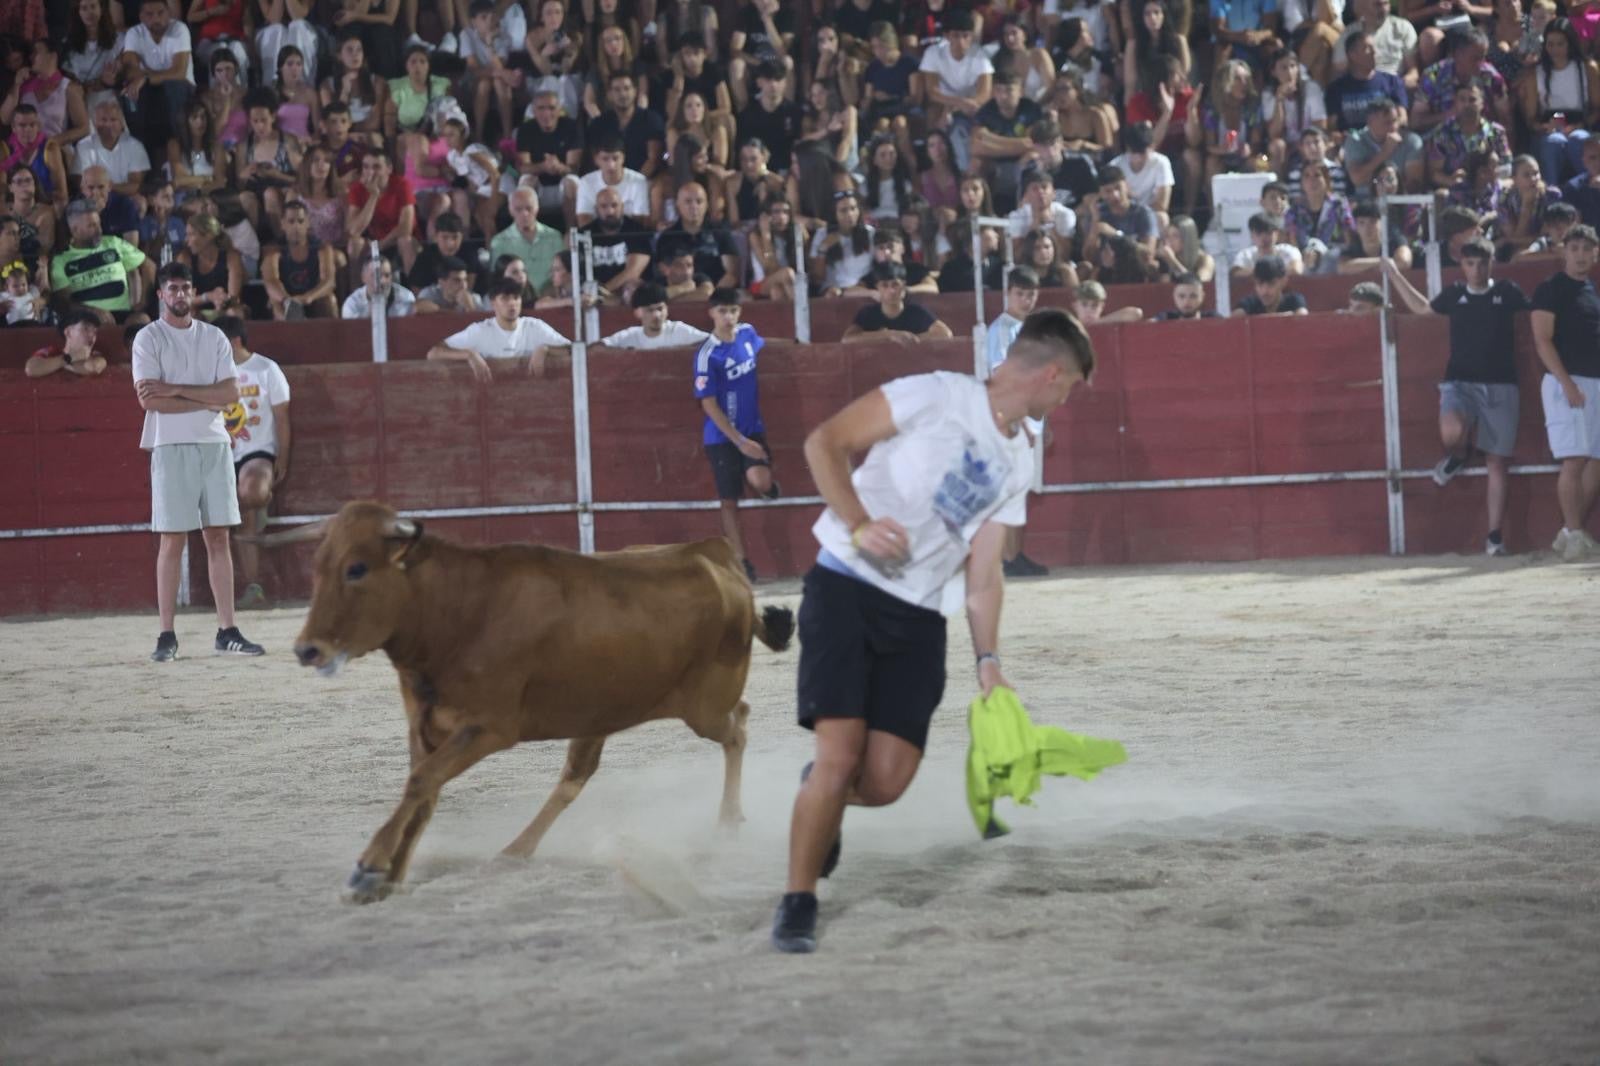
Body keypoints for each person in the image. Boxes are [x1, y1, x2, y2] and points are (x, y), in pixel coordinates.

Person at [770, 307, 1096, 954]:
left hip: (918, 616)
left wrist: (989, 658)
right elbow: (823, 443)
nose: (1066, 400)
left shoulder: (1018, 461)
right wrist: (860, 521)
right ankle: (798, 902)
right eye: (1070, 388)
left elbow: (983, 574)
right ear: (1053, 375)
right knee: (841, 757)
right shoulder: (936, 394)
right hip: (845, 589)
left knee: (886, 782)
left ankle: (822, 796)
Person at [132, 262, 264, 663]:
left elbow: (230, 395)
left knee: (217, 536)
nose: (180, 295)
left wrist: (176, 389)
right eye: (172, 289)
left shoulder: (214, 336)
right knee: (172, 539)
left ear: (193, 292)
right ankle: (166, 633)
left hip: (214, 443)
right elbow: (149, 400)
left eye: (186, 288)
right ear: (160, 294)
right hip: (170, 445)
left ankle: (227, 629)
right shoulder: (148, 338)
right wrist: (200, 394)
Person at [1386, 239, 1527, 552]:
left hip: (1502, 385)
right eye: (1470, 264)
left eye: (1481, 263)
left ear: (1491, 263)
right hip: (1460, 382)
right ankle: (1459, 454)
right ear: (1461, 265)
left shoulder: (1508, 292)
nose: (1476, 270)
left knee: (1497, 463)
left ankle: (1493, 537)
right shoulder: (1454, 294)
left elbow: (1535, 315)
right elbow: (1422, 309)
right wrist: (1395, 274)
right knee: (1451, 431)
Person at [694, 288, 779, 582]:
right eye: (722, 311)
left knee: (760, 480)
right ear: (712, 313)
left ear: (739, 312)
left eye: (732, 311)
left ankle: (768, 487)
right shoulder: (707, 354)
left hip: (751, 427)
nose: (728, 317)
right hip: (721, 437)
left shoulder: (747, 334)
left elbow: (762, 345)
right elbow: (708, 403)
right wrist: (739, 441)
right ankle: (742, 561)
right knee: (729, 500)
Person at [1530, 225, 1600, 561]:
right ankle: (1574, 533)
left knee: (1596, 461)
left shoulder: (1592, 289)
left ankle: (1571, 531)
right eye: (1575, 248)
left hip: (1595, 382)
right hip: (1567, 382)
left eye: (1587, 249)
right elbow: (1542, 340)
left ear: (1595, 253)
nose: (1581, 255)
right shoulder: (1551, 289)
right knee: (1574, 459)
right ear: (1564, 251)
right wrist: (1567, 384)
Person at [216, 316, 291, 609]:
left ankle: (252, 583)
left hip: (257, 451)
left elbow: (282, 417)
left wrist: (283, 457)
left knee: (250, 494)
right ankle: (252, 586)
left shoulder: (266, 369)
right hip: (220, 454)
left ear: (234, 342)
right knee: (241, 514)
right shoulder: (210, 372)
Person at [983, 267, 1051, 577]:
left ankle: (1013, 555)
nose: (1026, 299)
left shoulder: (1029, 329)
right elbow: (1002, 378)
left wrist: (1040, 422)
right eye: (1020, 293)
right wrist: (1020, 422)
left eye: (1031, 294)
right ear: (1008, 294)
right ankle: (1009, 558)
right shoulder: (1002, 330)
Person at [426, 277, 571, 381]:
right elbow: (433, 353)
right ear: (493, 303)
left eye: (516, 298)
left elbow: (573, 349)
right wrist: (469, 354)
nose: (512, 303)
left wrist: (546, 349)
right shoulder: (480, 331)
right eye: (505, 298)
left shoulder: (534, 327)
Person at [50, 199, 148, 326]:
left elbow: (143, 268)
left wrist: (138, 305)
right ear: (75, 230)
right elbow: (64, 302)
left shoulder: (113, 242)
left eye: (99, 224)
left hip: (124, 315)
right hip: (87, 319)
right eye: (91, 226)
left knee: (142, 320)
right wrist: (91, 312)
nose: (99, 230)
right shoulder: (61, 261)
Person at [262, 199, 339, 320]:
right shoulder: (273, 249)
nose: (296, 226)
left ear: (308, 223)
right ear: (283, 224)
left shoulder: (322, 247)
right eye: (291, 221)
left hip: (313, 298)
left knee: (329, 300)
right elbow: (271, 281)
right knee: (275, 302)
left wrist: (308, 298)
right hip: (285, 299)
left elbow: (329, 281)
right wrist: (288, 301)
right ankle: (289, 332)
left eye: (301, 221)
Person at [843, 263, 954, 343]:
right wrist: (888, 335)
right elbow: (847, 339)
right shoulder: (868, 313)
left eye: (895, 284)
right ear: (877, 288)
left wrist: (910, 338)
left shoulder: (916, 311)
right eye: (885, 285)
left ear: (903, 286)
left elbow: (945, 334)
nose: (891, 291)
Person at [490, 187, 563, 292]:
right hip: (514, 297)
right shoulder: (499, 242)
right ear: (510, 210)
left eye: (529, 208)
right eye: (518, 209)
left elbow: (562, 273)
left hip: (550, 297)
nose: (525, 214)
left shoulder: (554, 237)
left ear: (537, 208)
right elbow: (497, 279)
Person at [598, 282, 713, 348]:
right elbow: (598, 347)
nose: (657, 315)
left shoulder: (678, 330)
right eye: (650, 310)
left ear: (666, 310)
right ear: (638, 313)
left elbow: (712, 342)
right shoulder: (630, 335)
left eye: (660, 308)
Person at [24, 309, 108, 377]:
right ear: (68, 332)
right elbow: (31, 369)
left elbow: (93, 367)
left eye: (94, 332)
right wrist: (70, 357)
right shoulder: (51, 351)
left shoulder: (96, 355)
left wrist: (63, 362)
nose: (92, 335)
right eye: (86, 329)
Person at [341, 256, 417, 317]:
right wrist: (369, 313)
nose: (382, 281)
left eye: (387, 275)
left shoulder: (406, 298)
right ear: (363, 278)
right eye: (375, 276)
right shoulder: (352, 305)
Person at [1235, 255, 1309, 316]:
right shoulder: (1249, 304)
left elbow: (1302, 316)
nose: (1265, 291)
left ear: (1283, 282)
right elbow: (1233, 320)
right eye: (1260, 284)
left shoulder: (1294, 301)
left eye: (1271, 284)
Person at [414, 256, 489, 313]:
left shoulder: (474, 298)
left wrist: (470, 308)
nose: (463, 285)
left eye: (465, 280)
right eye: (457, 280)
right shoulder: (430, 293)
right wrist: (453, 312)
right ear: (441, 282)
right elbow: (417, 307)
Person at [1154, 272, 1222, 320]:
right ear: (1174, 296)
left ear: (1202, 296)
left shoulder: (1213, 319)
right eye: (1181, 296)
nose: (1187, 301)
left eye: (1193, 296)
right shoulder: (1165, 318)